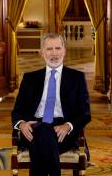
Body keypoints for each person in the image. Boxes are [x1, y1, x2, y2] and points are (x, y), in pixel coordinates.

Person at [11, 33, 91, 176]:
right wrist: (22, 124)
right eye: (49, 49)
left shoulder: (77, 78)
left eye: (57, 48)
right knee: (44, 132)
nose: (54, 53)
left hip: (62, 129)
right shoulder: (30, 78)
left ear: (64, 51)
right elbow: (17, 111)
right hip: (33, 127)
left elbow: (85, 113)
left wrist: (68, 126)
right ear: (42, 53)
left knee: (43, 135)